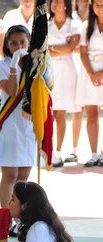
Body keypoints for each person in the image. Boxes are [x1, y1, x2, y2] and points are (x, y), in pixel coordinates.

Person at [0, 25, 35, 209]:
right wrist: (14, 63)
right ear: (7, 44)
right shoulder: (1, 65)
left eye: (23, 41)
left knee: (23, 178)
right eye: (13, 43)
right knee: (10, 176)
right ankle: (6, 216)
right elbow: (13, 91)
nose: (19, 45)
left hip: (28, 124)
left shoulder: (34, 65)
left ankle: (21, 217)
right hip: (10, 125)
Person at [48, 0, 82, 168]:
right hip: (50, 70)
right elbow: (43, 49)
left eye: (58, 2)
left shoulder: (73, 24)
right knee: (49, 113)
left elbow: (72, 47)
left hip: (67, 70)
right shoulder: (45, 24)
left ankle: (58, 151)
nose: (55, 5)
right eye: (52, 2)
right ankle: (46, 150)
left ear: (66, 5)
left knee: (60, 112)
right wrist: (61, 48)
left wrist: (54, 48)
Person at [75, 0, 103, 167]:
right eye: (97, 4)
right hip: (89, 72)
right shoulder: (86, 26)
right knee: (91, 113)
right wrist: (92, 73)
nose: (100, 8)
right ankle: (93, 153)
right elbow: (83, 52)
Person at [64, 0, 90, 164]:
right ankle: (74, 150)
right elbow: (70, 47)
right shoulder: (71, 19)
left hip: (91, 67)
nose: (86, 2)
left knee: (93, 111)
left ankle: (96, 152)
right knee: (77, 111)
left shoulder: (96, 18)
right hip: (73, 67)